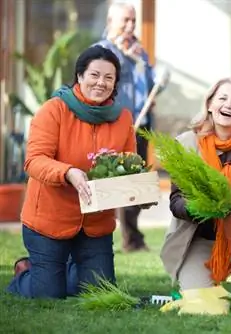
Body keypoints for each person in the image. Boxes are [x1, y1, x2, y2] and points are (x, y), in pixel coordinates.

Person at [6, 45, 146, 299]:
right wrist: (68, 172)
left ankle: (68, 269)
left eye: (108, 77)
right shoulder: (54, 110)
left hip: (95, 224)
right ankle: (25, 273)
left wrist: (138, 192)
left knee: (97, 293)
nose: (100, 83)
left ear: (115, 83)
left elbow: (129, 165)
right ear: (80, 76)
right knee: (48, 295)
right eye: (94, 75)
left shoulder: (123, 118)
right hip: (48, 221)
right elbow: (34, 161)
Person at [160, 77, 231, 290]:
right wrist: (202, 208)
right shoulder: (185, 144)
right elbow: (176, 201)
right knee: (199, 302)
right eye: (222, 98)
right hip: (197, 240)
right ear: (210, 104)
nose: (228, 105)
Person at [95, 2, 166, 252]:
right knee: (112, 183)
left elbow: (152, 83)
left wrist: (156, 77)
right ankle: (106, 238)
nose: (130, 25)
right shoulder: (102, 51)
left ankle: (132, 239)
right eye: (125, 20)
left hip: (140, 126)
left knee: (135, 184)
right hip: (115, 125)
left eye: (133, 21)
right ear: (110, 20)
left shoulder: (139, 51)